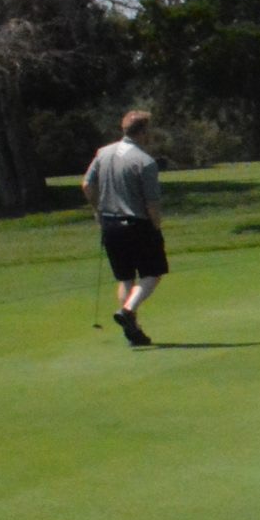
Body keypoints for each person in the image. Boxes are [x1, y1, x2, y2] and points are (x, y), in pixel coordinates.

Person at [82, 109, 167, 346]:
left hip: (110, 224)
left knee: (125, 278)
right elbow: (151, 202)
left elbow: (87, 184)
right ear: (143, 132)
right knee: (152, 274)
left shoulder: (103, 153)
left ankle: (133, 331)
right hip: (137, 224)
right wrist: (156, 225)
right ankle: (128, 310)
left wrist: (97, 211)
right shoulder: (145, 162)